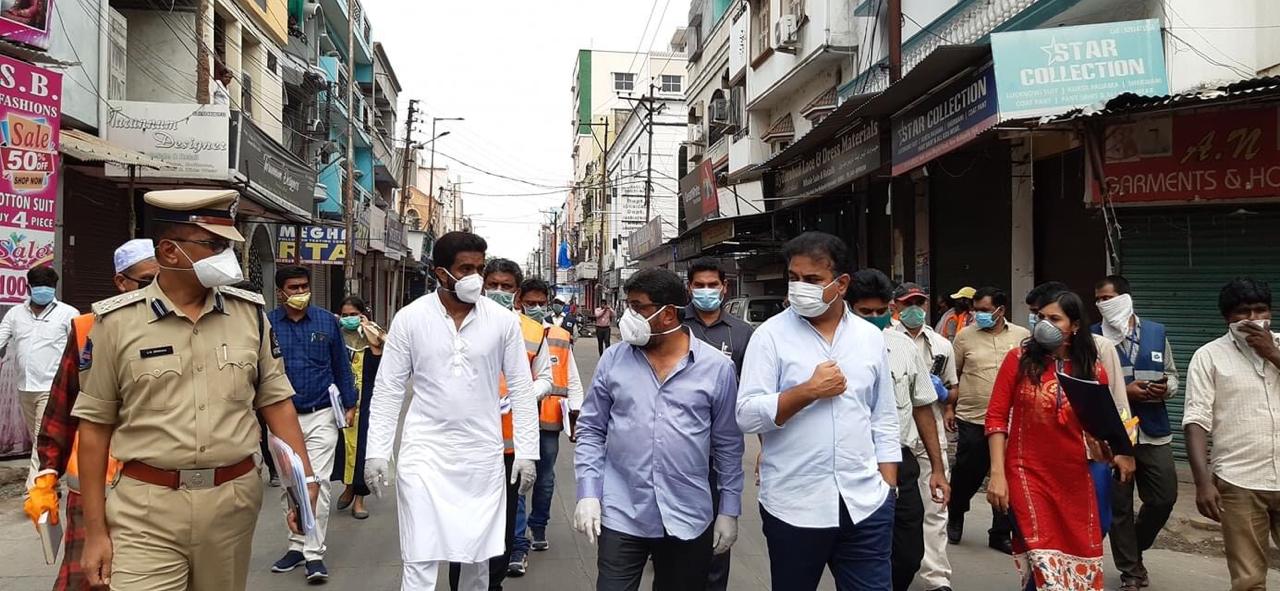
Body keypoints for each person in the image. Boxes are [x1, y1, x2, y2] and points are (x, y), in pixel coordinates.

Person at [73, 189, 318, 591]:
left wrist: (303, 485)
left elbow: (276, 403)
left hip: (232, 504)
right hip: (144, 507)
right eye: (215, 246)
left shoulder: (249, 315)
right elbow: (95, 428)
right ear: (170, 252)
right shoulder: (115, 323)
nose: (229, 258)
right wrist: (95, 532)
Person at [365, 232, 538, 591]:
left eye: (480, 267)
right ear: (441, 273)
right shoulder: (410, 319)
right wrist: (376, 452)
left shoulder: (501, 321)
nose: (475, 276)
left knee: (476, 558)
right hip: (424, 455)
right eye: (466, 268)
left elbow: (522, 388)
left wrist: (527, 452)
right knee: (419, 554)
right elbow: (388, 388)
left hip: (481, 457)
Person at [737, 231, 899, 590]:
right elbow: (746, 414)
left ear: (841, 283)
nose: (799, 288)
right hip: (793, 505)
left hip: (865, 504)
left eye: (812, 280)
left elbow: (883, 415)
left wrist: (888, 485)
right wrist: (807, 391)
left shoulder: (868, 337)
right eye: (793, 278)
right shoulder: (769, 337)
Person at [574, 268, 744, 591]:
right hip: (621, 511)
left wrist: (729, 510)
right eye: (629, 305)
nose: (629, 316)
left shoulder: (717, 368)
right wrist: (588, 493)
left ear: (668, 315)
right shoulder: (613, 360)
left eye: (638, 307)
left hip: (688, 515)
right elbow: (592, 430)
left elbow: (728, 446)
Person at [23, 239, 157, 591]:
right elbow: (60, 410)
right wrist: (46, 476)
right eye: (145, 282)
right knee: (87, 579)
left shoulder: (179, 328)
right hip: (94, 484)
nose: (155, 290)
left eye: (162, 280)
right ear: (120, 283)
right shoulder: (86, 329)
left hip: (156, 485)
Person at [985, 289, 1134, 590]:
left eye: (1054, 318)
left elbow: (1100, 427)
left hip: (1075, 476)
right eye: (1041, 317)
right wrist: (997, 474)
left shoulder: (1093, 370)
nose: (1044, 324)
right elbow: (996, 418)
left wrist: (1115, 450)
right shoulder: (1018, 360)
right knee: (1042, 557)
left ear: (1075, 326)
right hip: (1026, 472)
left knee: (1073, 557)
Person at [445, 258, 551, 588]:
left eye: (507, 287)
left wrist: (528, 392)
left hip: (510, 449)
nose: (499, 291)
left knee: (503, 528)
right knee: (464, 527)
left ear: (517, 294)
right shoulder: (457, 324)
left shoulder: (534, 332)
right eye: (493, 285)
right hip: (465, 446)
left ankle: (493, 583)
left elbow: (545, 376)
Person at [849, 270, 951, 591]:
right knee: (861, 552)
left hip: (900, 459)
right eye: (866, 312)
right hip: (855, 464)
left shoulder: (902, 346)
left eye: (881, 311)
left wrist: (936, 468)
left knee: (908, 553)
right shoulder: (834, 349)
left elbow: (922, 406)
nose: (875, 318)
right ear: (849, 307)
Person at [1183, 278, 1280, 591]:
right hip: (1239, 482)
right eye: (1243, 312)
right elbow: (1196, 419)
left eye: (1260, 310)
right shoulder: (1208, 356)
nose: (1253, 319)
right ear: (1227, 317)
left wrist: (1272, 354)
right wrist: (1201, 482)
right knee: (1249, 580)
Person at [267, 266, 357, 583]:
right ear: (280, 292)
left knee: (316, 481)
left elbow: (341, 365)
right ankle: (296, 544)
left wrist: (350, 402)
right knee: (291, 485)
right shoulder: (266, 325)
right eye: (294, 287)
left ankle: (313, 554)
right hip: (281, 418)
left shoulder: (326, 322)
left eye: (305, 286)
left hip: (321, 413)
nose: (301, 292)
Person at [1092, 275, 1180, 591]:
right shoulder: (1092, 337)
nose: (1102, 304)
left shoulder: (1156, 333)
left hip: (1154, 431)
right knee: (1119, 507)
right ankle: (1131, 569)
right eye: (1098, 299)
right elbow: (1089, 387)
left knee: (1163, 497)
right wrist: (1123, 392)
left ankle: (1135, 545)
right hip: (1115, 434)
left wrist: (1166, 388)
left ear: (1126, 298)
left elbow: (1172, 375)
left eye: (1108, 297)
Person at [680, 258, 754, 590]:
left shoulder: (741, 333)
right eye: (700, 285)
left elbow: (755, 390)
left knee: (716, 535)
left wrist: (765, 447)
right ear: (689, 288)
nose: (707, 291)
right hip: (676, 446)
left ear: (725, 288)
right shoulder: (675, 325)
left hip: (720, 448)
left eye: (713, 285)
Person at [945, 286, 1030, 554]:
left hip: (1012, 420)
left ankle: (1000, 531)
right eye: (975, 310)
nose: (977, 315)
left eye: (983, 310)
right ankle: (956, 512)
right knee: (968, 472)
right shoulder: (964, 337)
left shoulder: (1022, 337)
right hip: (973, 417)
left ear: (1000, 310)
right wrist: (949, 408)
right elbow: (953, 376)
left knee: (1006, 475)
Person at [510, 277, 584, 576]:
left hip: (547, 423)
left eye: (542, 303)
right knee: (516, 479)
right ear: (520, 302)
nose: (537, 308)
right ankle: (517, 544)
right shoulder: (507, 330)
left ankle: (538, 526)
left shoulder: (559, 336)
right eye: (531, 303)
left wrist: (577, 418)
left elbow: (573, 378)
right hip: (511, 423)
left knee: (544, 479)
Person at [892, 282, 957, 591]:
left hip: (930, 430)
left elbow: (952, 388)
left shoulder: (941, 345)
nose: (914, 309)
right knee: (897, 509)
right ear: (896, 307)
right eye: (908, 303)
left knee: (936, 506)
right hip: (898, 434)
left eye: (919, 302)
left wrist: (945, 396)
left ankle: (936, 578)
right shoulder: (883, 341)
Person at [1, 266, 78, 486]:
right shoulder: (15, 314)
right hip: (25, 388)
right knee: (41, 440)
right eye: (38, 288)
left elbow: (79, 349)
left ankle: (33, 492)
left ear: (54, 288)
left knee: (40, 441)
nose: (43, 292)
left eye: (48, 288)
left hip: (53, 388)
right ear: (28, 288)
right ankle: (50, 481)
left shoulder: (68, 313)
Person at [333, 296, 385, 521]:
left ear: (363, 314)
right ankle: (348, 487)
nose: (349, 319)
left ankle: (360, 499)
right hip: (343, 402)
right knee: (343, 450)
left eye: (354, 314)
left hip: (368, 404)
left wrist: (370, 332)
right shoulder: (338, 337)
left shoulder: (374, 336)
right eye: (345, 315)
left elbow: (381, 367)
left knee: (363, 451)